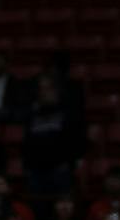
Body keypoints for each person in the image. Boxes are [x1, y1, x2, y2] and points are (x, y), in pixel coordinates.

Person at [18, 60, 86, 199]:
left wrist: (69, 164)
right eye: (40, 89)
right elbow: (27, 143)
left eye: (46, 88)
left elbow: (76, 140)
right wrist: (28, 167)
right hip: (36, 173)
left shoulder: (67, 113)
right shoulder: (32, 116)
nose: (42, 93)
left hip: (59, 171)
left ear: (56, 90)